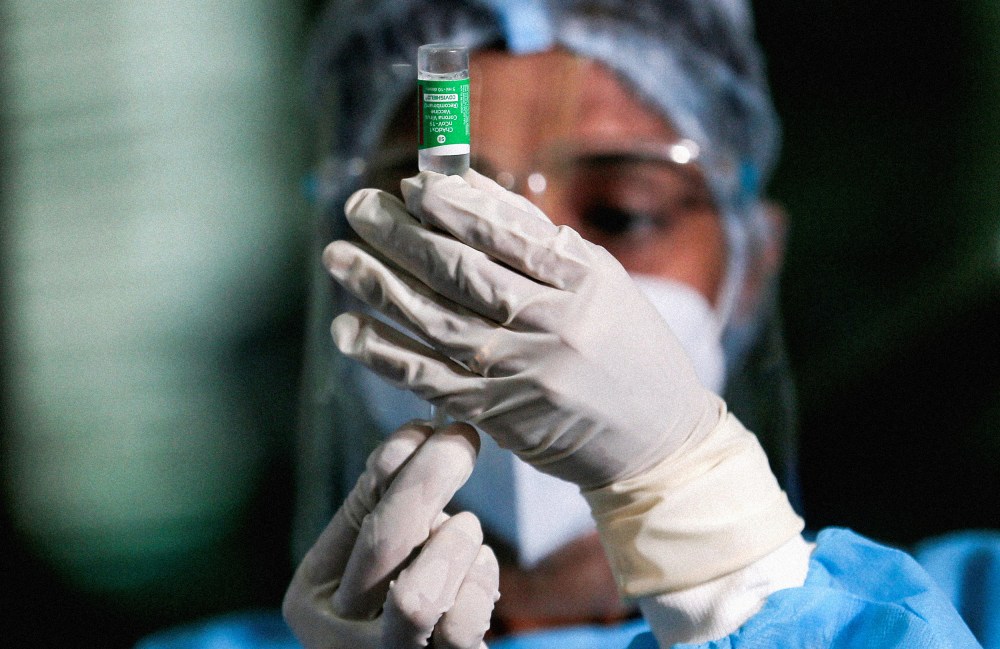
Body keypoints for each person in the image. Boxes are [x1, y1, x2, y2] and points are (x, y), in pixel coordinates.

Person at [137, 0, 999, 647]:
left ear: (750, 266)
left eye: (623, 214)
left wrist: (729, 563)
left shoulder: (972, 602)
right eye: (434, 224)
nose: (511, 286)